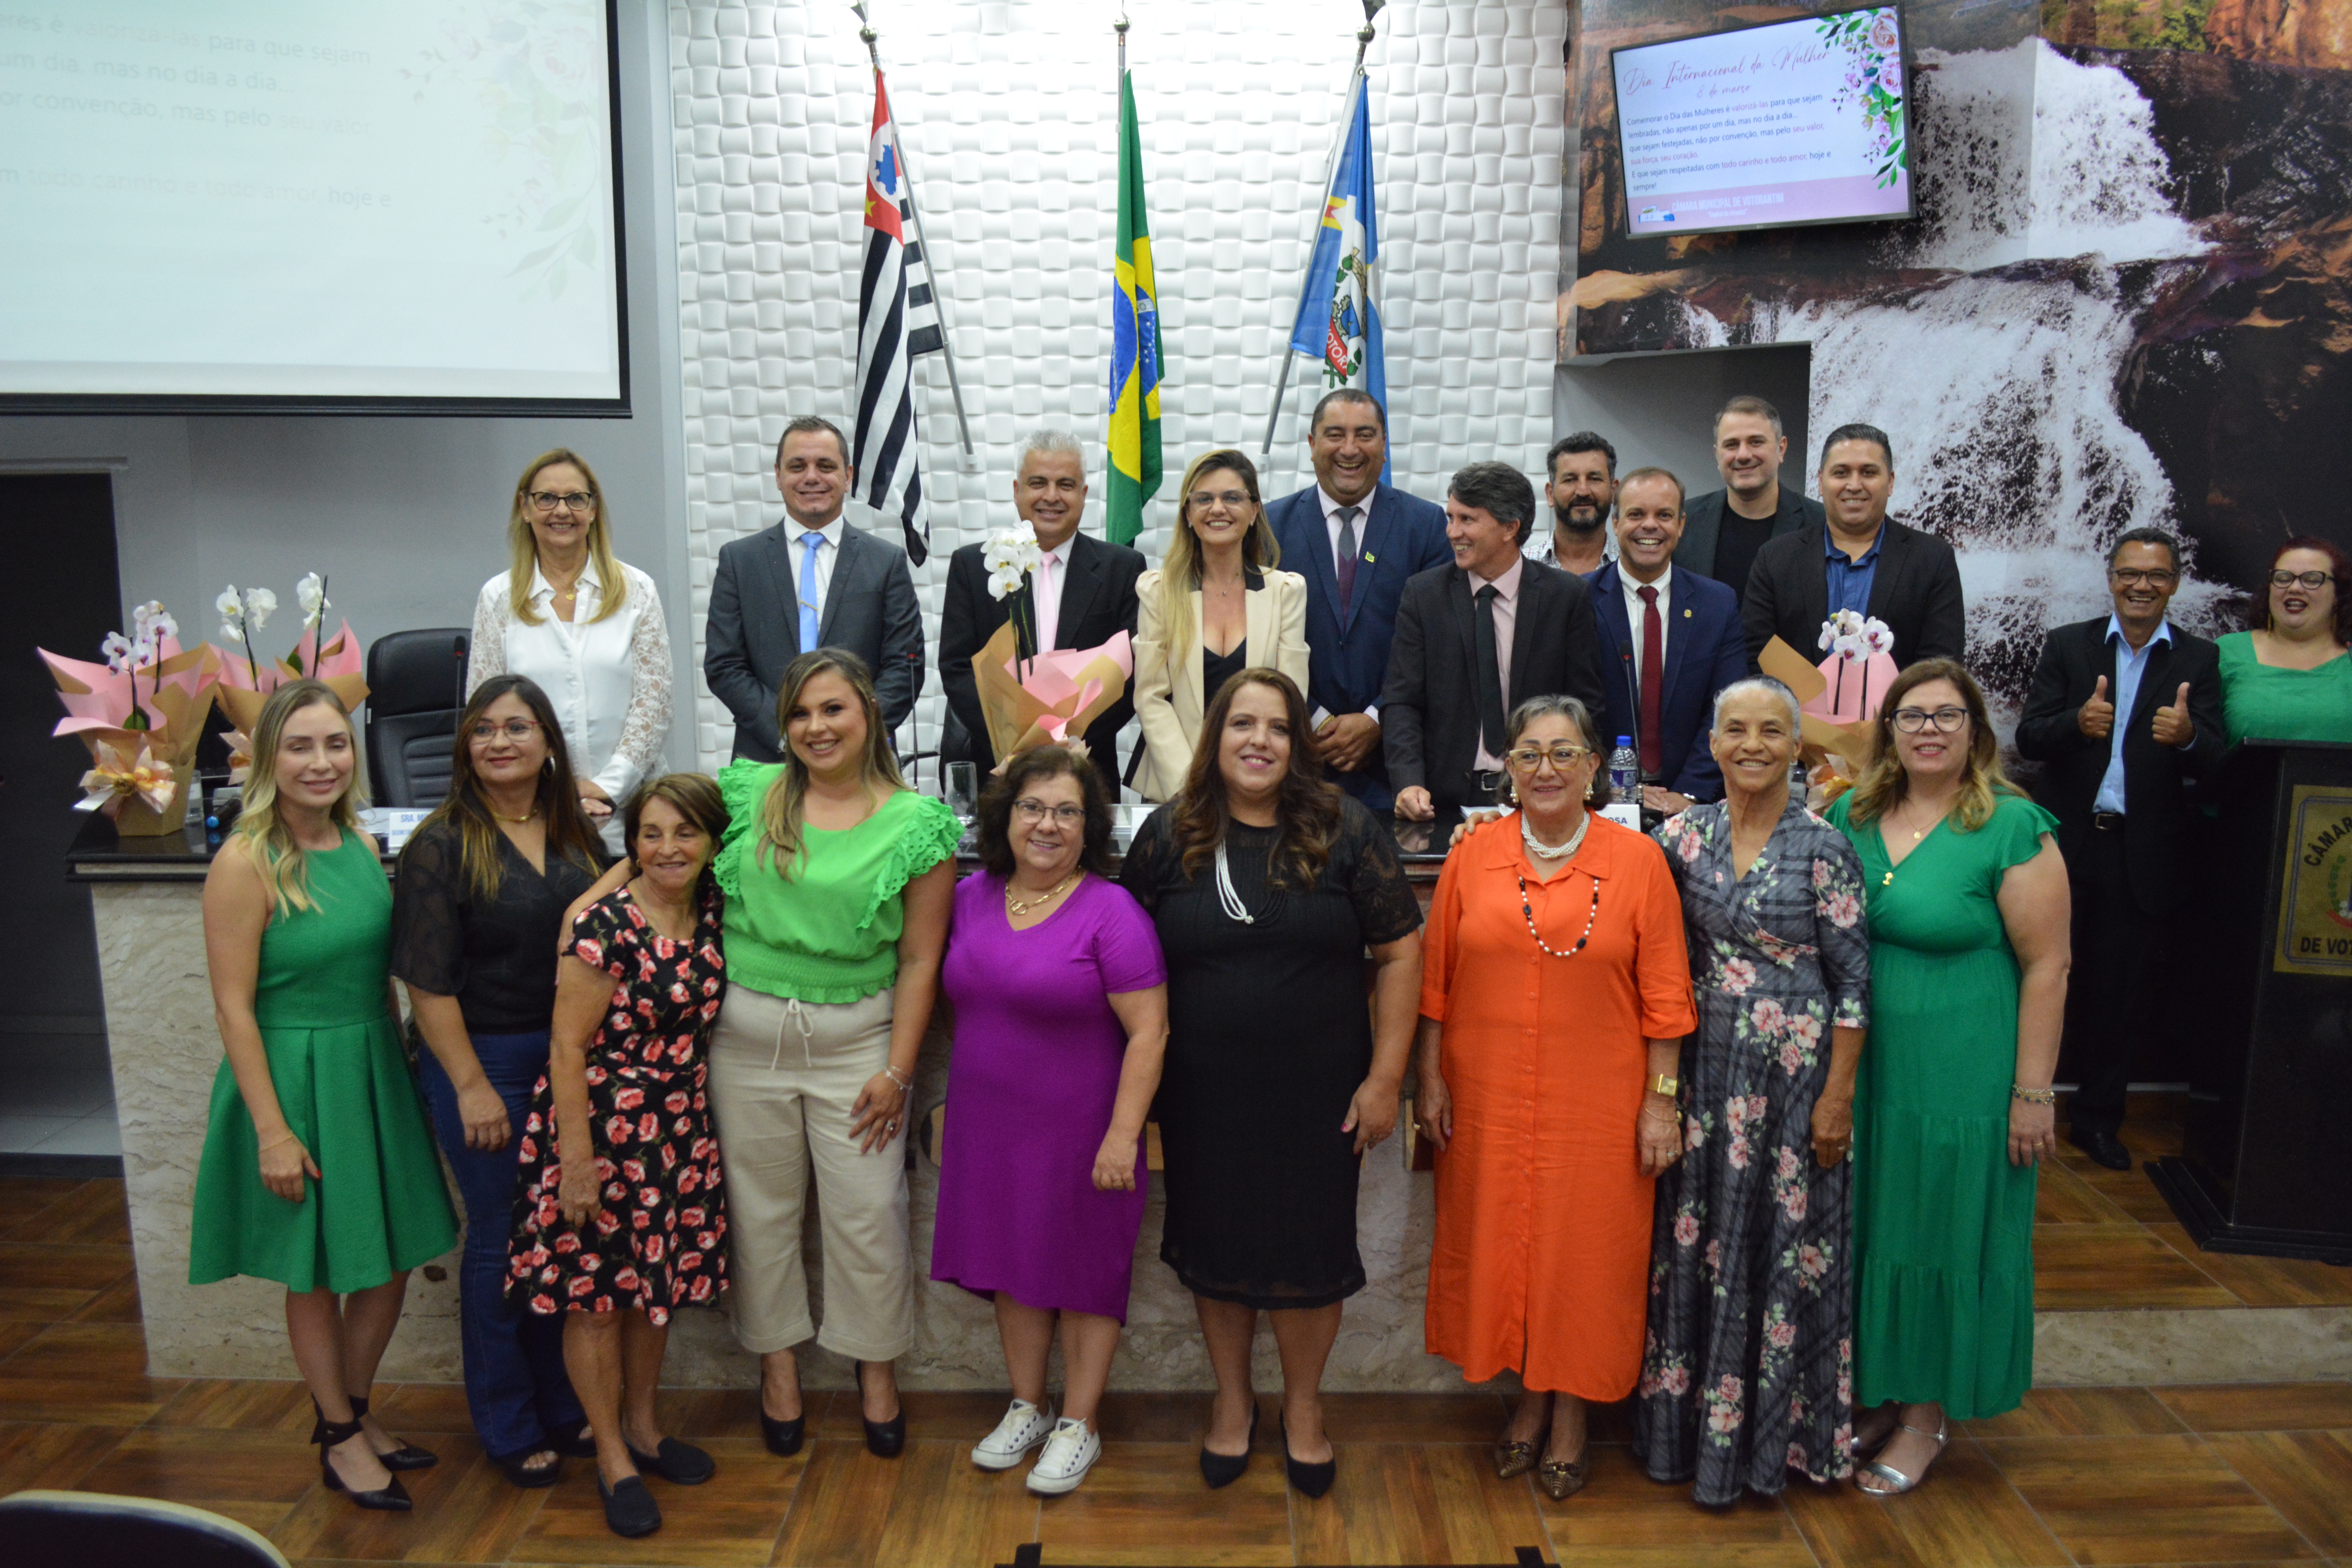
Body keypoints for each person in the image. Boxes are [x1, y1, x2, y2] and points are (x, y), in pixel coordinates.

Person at [1118, 670, 1422, 1497]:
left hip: (1320, 1091)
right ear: (1214, 737)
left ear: (1298, 745)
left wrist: (1386, 1075)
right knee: (1216, 1248)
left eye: (1279, 727)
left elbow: (1399, 954)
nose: (1259, 740)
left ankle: (1303, 1408)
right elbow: (1122, 959)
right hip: (1202, 1091)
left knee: (1311, 1254)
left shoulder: (1346, 828)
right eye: (1241, 724)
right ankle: (1230, 1402)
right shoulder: (1167, 834)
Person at [1415, 694, 1696, 1502]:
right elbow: (1437, 979)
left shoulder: (1638, 861)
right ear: (1507, 766)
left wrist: (1661, 1101)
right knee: (1506, 1242)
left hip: (1599, 1101)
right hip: (1488, 1094)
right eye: (1529, 752)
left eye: (1564, 752)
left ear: (1594, 767)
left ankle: (1571, 1419)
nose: (1546, 768)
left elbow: (1668, 997)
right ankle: (1528, 1401)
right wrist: (1429, 1077)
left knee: (1583, 1255)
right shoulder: (1474, 853)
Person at [190, 680, 459, 1513]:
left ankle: (357, 1409)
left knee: (387, 1260)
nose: (321, 761)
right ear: (270, 756)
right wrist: (273, 1131)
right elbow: (234, 1005)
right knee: (317, 1271)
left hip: (371, 1066)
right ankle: (337, 1433)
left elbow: (381, 971)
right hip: (295, 1080)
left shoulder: (357, 843)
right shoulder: (246, 860)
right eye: (301, 746)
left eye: (335, 744)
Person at [708, 650, 960, 1461]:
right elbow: (656, 850)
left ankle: (875, 1372)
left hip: (858, 1046)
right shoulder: (748, 796)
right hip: (745, 1043)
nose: (816, 727)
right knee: (762, 1213)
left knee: (868, 1218)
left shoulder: (919, 824)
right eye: (801, 713)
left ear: (869, 716)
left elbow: (922, 959)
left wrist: (898, 1070)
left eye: (834, 710)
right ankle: (777, 1367)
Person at [1826, 659, 2070, 1495]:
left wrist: (2032, 1092)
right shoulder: (1849, 811)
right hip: (1867, 1066)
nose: (1929, 728)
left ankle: (1928, 1414)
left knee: (1939, 1226)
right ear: (1887, 728)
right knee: (1878, 1223)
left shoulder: (2012, 825)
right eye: (1912, 714)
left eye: (1948, 714)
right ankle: (1885, 1391)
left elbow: (2049, 966)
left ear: (1976, 730)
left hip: (1962, 1071)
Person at [1634, 678, 1871, 1504]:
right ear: (1715, 736)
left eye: (1772, 730)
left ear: (1795, 742)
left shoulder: (1825, 843)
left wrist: (1837, 1097)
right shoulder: (1681, 834)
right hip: (1706, 1077)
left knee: (1780, 1253)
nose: (1752, 745)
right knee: (1700, 1249)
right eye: (1735, 728)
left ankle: (1777, 1450)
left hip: (1795, 1085)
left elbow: (1854, 986)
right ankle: (1688, 1441)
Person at [931, 745, 1169, 1495]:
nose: (1048, 824)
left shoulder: (1112, 911)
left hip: (1084, 1132)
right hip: (989, 1126)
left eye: (1068, 811)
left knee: (1083, 1273)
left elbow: (1150, 1032)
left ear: (1089, 827)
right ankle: (1028, 1406)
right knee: (1014, 1266)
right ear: (1006, 816)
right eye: (1033, 806)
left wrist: (1123, 1135)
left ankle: (1080, 1422)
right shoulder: (970, 896)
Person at [392, 674, 606, 1487]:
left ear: (549, 742)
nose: (500, 742)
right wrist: (471, 1082)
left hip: (566, 1062)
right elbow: (428, 980)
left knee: (559, 1240)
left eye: (518, 727)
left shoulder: (577, 833)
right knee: (501, 1242)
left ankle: (562, 1401)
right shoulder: (441, 842)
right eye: (483, 730)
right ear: (465, 749)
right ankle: (508, 1419)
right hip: (482, 1063)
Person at [508, 774, 731, 1539]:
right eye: (651, 833)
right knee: (597, 1300)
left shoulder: (711, 909)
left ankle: (643, 1425)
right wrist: (577, 1161)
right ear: (630, 842)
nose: (668, 848)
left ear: (711, 841)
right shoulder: (605, 925)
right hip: (599, 1131)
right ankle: (611, 1455)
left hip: (676, 1134)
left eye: (686, 833)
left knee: (652, 1288)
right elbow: (566, 1046)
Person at [2016, 529, 2224, 1171]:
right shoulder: (2069, 645)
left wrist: (2189, 737)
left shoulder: (2199, 660)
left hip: (2142, 856)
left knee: (2118, 997)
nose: (2142, 585)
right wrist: (2076, 724)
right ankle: (2019, 1110)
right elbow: (2028, 739)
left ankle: (2099, 1123)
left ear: (2174, 583)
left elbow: (2220, 759)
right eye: (2130, 573)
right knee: (2034, 981)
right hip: (2063, 849)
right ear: (2110, 578)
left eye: (2156, 575)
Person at [467, 448, 673, 854]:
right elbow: (487, 712)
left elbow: (655, 702)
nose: (561, 511)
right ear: (524, 509)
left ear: (593, 510)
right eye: (546, 498)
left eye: (576, 498)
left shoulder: (637, 590)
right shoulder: (498, 598)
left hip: (630, 813)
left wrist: (606, 787)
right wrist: (557, 794)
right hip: (534, 811)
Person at [1383, 461, 1610, 820]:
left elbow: (1585, 706)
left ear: (1510, 528)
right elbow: (1402, 702)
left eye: (1467, 520)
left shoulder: (1565, 597)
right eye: (1451, 518)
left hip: (1539, 793)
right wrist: (1408, 782)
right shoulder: (1423, 595)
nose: (1452, 532)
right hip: (1441, 801)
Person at [1264, 390, 1451, 811]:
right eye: (1335, 434)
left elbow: (1439, 644)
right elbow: (1258, 642)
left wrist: (1377, 717)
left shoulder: (1425, 526)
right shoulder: (1269, 527)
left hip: (1398, 775)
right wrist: (1313, 718)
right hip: (1295, 766)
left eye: (1364, 435)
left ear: (1384, 445)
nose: (1350, 449)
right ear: (1312, 445)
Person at [704, 416, 924, 760]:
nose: (811, 477)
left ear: (848, 476)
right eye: (797, 466)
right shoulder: (739, 561)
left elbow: (904, 667)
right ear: (778, 475)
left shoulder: (886, 562)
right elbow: (725, 666)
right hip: (766, 759)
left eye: (825, 466)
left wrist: (853, 735)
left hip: (862, 762)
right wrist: (787, 732)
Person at [939, 432, 1146, 793]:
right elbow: (957, 668)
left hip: (1087, 770)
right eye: (1038, 484)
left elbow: (1130, 677)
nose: (1051, 496)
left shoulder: (1123, 569)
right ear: (1018, 490)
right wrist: (1016, 744)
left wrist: (1065, 742)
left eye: (1066, 485)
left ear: (1083, 495)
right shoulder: (974, 566)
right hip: (999, 771)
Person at [1132, 449, 1309, 802]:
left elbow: (1290, 701)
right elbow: (1151, 698)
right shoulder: (1158, 591)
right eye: (1204, 499)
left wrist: (1252, 781)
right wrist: (1190, 787)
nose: (1218, 509)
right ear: (1187, 513)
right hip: (1176, 792)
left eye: (1232, 498)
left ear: (1254, 510)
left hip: (1260, 788)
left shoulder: (1286, 592)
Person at [1584, 467, 1749, 816]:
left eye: (1664, 515)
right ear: (1615, 523)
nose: (1650, 526)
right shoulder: (1578, 599)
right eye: (1636, 514)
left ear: (1682, 525)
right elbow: (1572, 707)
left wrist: (1688, 794)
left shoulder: (1717, 604)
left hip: (1692, 805)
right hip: (1599, 802)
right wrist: (1604, 789)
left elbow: (1727, 710)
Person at [1742, 425, 1965, 673]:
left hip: (1894, 711)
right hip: (1794, 710)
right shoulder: (1775, 559)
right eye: (1841, 473)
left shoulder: (1932, 560)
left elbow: (1940, 665)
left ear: (1890, 482)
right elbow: (1756, 658)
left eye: (1869, 473)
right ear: (1820, 481)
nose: (1854, 485)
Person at [1675, 396, 1821, 596]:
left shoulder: (1820, 523)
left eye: (1756, 442)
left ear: (1781, 448)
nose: (1743, 455)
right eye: (1732, 445)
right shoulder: (1684, 521)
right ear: (1717, 454)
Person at [2216, 536, 2352, 745]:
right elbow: (2203, 748)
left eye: (2313, 579)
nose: (2295, 588)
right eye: (2283, 578)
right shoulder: (2227, 652)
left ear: (2337, 595)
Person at [1537, 432, 1618, 576]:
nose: (1583, 491)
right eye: (1570, 480)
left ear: (1614, 491)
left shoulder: (1632, 571)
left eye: (1594, 479)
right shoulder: (1520, 568)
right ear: (1550, 494)